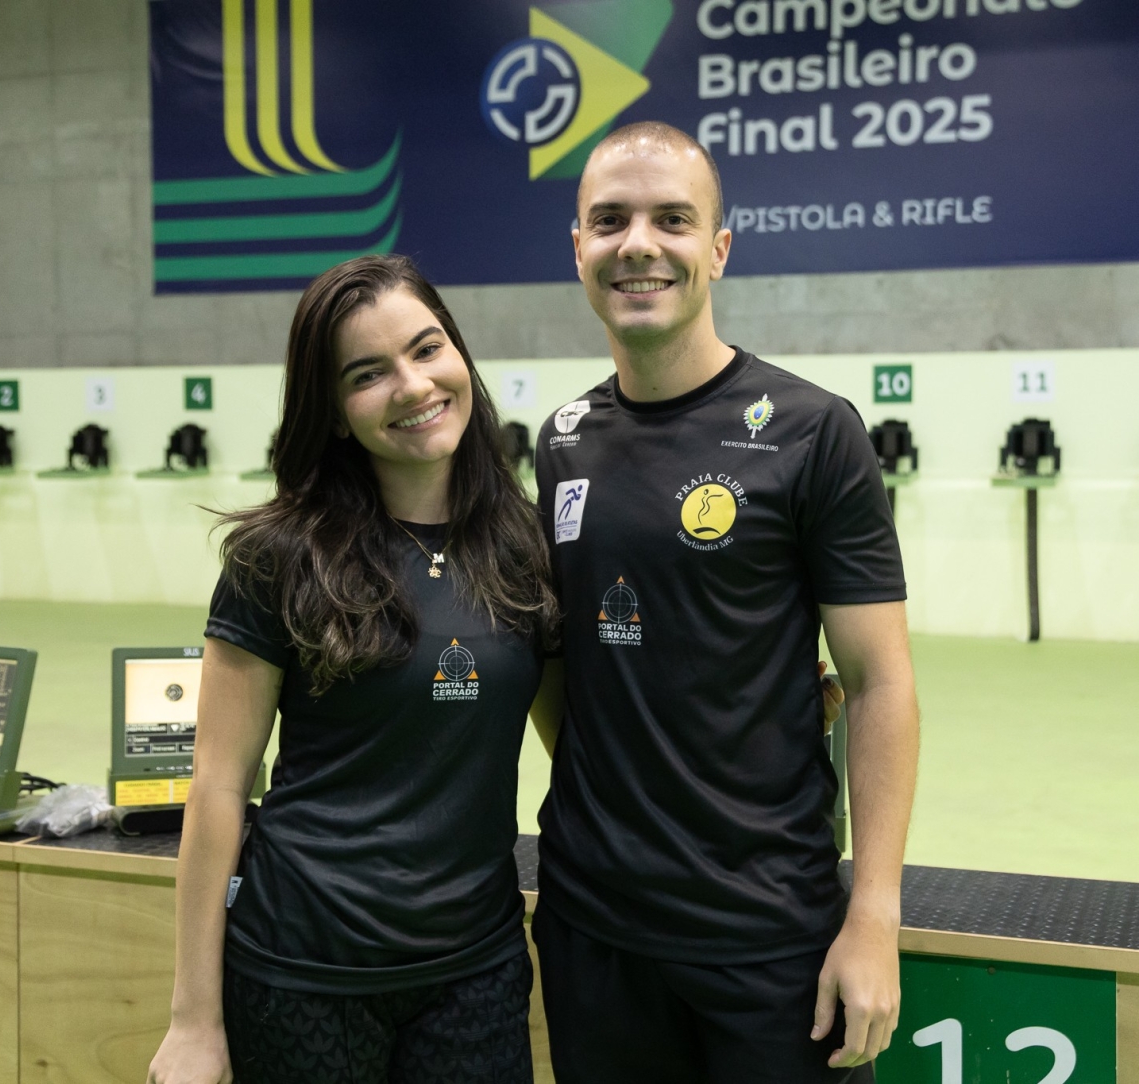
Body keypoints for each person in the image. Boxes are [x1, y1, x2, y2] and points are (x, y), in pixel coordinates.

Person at [527, 122, 920, 1082]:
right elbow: (560, 665)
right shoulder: (561, 441)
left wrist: (873, 916)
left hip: (769, 935)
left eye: (673, 219)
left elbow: (878, 684)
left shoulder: (815, 432)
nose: (639, 245)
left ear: (719, 248)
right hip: (593, 930)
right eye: (610, 220)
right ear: (578, 246)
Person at [146, 255, 561, 1084]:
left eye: (427, 349)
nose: (413, 385)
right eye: (368, 374)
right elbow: (218, 786)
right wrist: (193, 1018)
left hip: (475, 969)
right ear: (334, 413)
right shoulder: (279, 556)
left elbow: (580, 744)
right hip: (305, 970)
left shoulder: (522, 545)